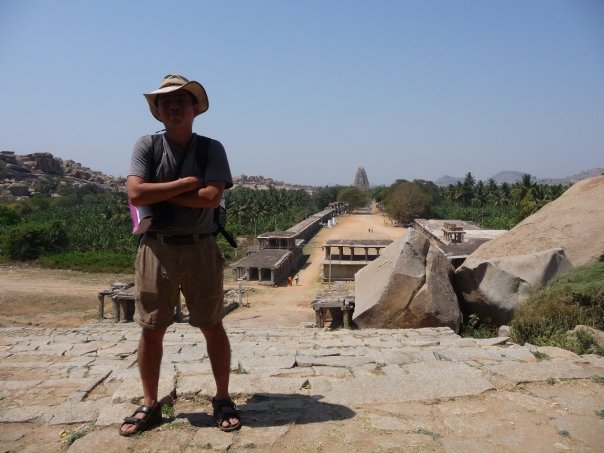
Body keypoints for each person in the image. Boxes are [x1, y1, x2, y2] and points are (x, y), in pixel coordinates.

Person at [119, 74, 240, 436]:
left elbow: (211, 198)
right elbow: (136, 194)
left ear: (194, 109)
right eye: (166, 102)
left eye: (181, 101)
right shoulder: (147, 145)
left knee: (212, 324)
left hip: (200, 245)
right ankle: (150, 402)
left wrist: (159, 192)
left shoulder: (210, 148)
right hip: (156, 247)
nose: (173, 107)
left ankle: (222, 397)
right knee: (151, 329)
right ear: (158, 110)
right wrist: (186, 184)